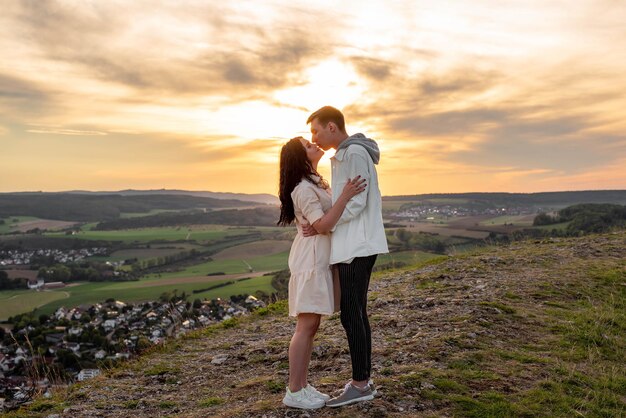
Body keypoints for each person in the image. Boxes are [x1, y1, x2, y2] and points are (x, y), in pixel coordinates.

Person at [306, 106, 389, 407]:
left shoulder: (353, 154)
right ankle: (362, 380)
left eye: (315, 130)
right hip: (353, 244)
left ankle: (360, 384)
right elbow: (347, 200)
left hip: (357, 244)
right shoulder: (344, 155)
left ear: (331, 127)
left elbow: (357, 203)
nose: (313, 136)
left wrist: (326, 222)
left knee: (352, 314)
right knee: (355, 313)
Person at [278, 136, 367, 410]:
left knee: (311, 325)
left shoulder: (313, 182)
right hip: (311, 260)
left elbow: (323, 224)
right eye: (307, 145)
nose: (314, 145)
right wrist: (346, 195)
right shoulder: (303, 189)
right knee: (305, 326)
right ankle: (294, 391)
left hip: (318, 258)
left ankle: (302, 386)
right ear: (300, 157)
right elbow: (325, 225)